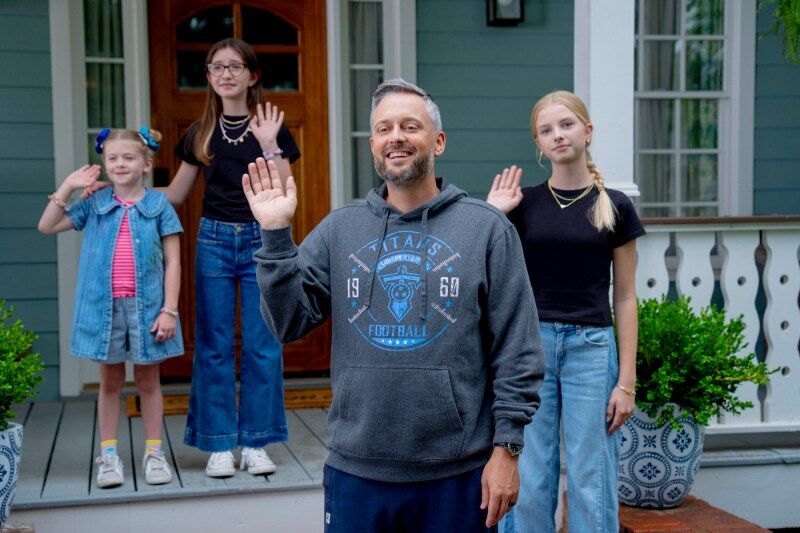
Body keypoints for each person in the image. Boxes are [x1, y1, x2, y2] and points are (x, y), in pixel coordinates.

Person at [242, 78, 544, 532]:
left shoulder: (486, 229)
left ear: (437, 141)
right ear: (373, 145)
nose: (395, 137)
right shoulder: (340, 229)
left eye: (410, 126)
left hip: (457, 473)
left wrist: (507, 452)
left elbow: (518, 350)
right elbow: (287, 322)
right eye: (383, 129)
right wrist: (276, 237)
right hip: (356, 470)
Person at [487, 90, 644, 533]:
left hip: (591, 350)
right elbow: (489, 279)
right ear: (538, 144)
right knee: (531, 472)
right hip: (531, 348)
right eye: (546, 130)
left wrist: (626, 382)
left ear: (587, 131)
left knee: (591, 473)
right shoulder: (523, 203)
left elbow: (627, 296)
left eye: (567, 124)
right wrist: (494, 214)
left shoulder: (614, 204)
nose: (558, 135)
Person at [168, 38, 301, 477]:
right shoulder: (200, 132)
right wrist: (120, 194)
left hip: (264, 241)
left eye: (235, 66)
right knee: (214, 345)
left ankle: (257, 443)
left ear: (252, 75)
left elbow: (285, 190)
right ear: (208, 77)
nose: (226, 74)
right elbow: (175, 195)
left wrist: (269, 144)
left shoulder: (272, 128)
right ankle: (220, 443)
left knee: (263, 344)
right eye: (217, 67)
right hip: (215, 242)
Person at [38, 128, 183, 488]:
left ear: (146, 164)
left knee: (148, 381)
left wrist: (170, 310)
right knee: (110, 382)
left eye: (129, 157)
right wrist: (69, 186)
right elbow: (47, 226)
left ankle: (153, 452)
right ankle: (108, 456)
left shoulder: (158, 206)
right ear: (104, 164)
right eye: (113, 158)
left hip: (148, 309)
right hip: (105, 309)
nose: (120, 164)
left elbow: (173, 261)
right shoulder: (95, 204)